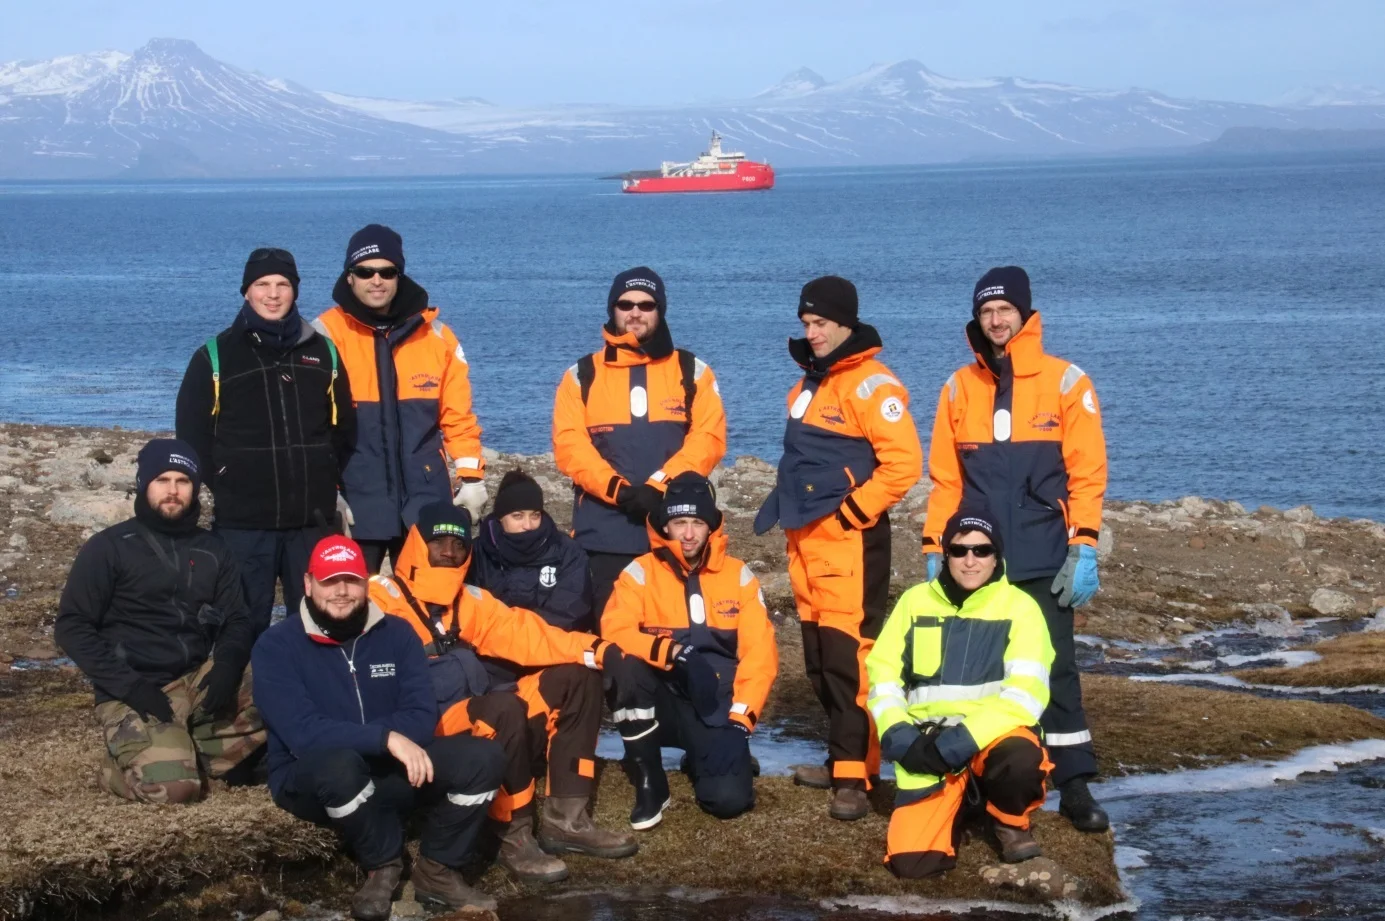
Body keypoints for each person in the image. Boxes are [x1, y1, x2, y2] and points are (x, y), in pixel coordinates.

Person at [921, 266, 1110, 832]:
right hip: (976, 559)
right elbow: (945, 480)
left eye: (1005, 310)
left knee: (1056, 669)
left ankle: (1073, 784)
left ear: (1026, 315)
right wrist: (937, 546)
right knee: (975, 672)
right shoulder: (958, 387)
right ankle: (979, 782)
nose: (996, 320)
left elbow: (1087, 474)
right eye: (986, 312)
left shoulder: (1067, 382)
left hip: (1046, 557)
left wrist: (1085, 546)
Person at [369, 501, 637, 884]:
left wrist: (600, 650)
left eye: (458, 545)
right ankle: (512, 832)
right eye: (438, 542)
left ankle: (567, 821)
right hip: (421, 730)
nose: (449, 551)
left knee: (578, 677)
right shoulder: (379, 600)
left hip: (472, 710)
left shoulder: (471, 601)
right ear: (416, 545)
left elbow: (529, 634)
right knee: (503, 708)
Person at [252, 535, 506, 920]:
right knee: (337, 764)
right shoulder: (276, 645)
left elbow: (421, 715)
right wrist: (383, 737)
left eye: (351, 580)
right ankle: (383, 864)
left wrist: (388, 743)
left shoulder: (398, 634)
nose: (341, 591)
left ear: (365, 583)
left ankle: (438, 868)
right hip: (317, 781)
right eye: (329, 580)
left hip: (392, 772)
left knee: (483, 757)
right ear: (308, 584)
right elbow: (303, 732)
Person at [753, 276, 922, 821]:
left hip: (850, 540)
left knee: (852, 660)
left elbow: (904, 466)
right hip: (806, 542)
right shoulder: (810, 382)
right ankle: (843, 757)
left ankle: (855, 777)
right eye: (806, 324)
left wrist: (851, 513)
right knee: (821, 661)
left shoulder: (874, 386)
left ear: (846, 323)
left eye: (821, 323)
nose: (813, 332)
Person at [54, 439, 263, 804]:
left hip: (194, 681)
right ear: (143, 483)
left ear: (195, 488)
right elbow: (71, 626)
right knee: (176, 790)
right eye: (162, 479)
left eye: (182, 481)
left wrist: (228, 664)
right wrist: (130, 686)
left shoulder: (215, 549)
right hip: (133, 690)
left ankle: (181, 746)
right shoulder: (109, 547)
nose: (172, 490)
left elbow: (237, 619)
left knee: (281, 675)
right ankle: (120, 766)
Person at [866, 507, 1055, 878]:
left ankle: (1009, 822)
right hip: (927, 743)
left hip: (988, 740)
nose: (970, 561)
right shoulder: (914, 601)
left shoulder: (1022, 608)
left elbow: (1026, 695)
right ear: (945, 554)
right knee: (912, 864)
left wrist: (963, 740)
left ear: (996, 555)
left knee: (1019, 760)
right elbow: (883, 674)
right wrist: (897, 733)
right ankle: (964, 805)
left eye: (982, 551)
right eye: (959, 551)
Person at [176, 246, 356, 634]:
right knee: (241, 625)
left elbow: (343, 428)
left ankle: (309, 695)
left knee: (316, 623)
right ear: (246, 291)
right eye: (262, 284)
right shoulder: (215, 356)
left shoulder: (322, 351)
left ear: (295, 291)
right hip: (243, 525)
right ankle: (236, 696)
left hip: (310, 523)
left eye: (282, 284)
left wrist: (323, 475)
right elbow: (191, 437)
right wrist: (226, 479)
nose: (272, 294)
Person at [603, 472, 778, 827]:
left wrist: (741, 724)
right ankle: (651, 781)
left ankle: (706, 754)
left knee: (728, 801)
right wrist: (673, 654)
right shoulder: (639, 573)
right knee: (623, 666)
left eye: (697, 523)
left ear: (710, 527)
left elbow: (760, 657)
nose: (687, 534)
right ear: (664, 526)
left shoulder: (739, 575)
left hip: (714, 703)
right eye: (679, 522)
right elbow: (615, 630)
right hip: (661, 699)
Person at [553, 266, 726, 615]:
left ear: (660, 310)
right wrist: (616, 489)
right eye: (626, 304)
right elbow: (570, 446)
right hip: (603, 535)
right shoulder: (581, 375)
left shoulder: (692, 371)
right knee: (610, 635)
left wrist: (659, 485)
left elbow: (707, 439)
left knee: (676, 634)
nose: (635, 313)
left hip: (676, 533)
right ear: (612, 309)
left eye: (646, 305)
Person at [313, 224, 486, 574]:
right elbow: (312, 426)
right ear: (349, 277)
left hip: (425, 499)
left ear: (399, 275)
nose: (376, 280)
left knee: (431, 606)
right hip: (357, 500)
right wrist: (325, 489)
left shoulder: (437, 336)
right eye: (365, 271)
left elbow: (458, 415)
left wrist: (471, 477)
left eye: (386, 271)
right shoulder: (324, 335)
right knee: (354, 606)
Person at [468, 468, 594, 635]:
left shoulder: (567, 552)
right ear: (500, 517)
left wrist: (520, 633)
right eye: (518, 516)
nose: (528, 525)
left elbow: (571, 610)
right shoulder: (478, 552)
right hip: (492, 643)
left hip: (552, 645)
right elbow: (470, 607)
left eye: (535, 515)